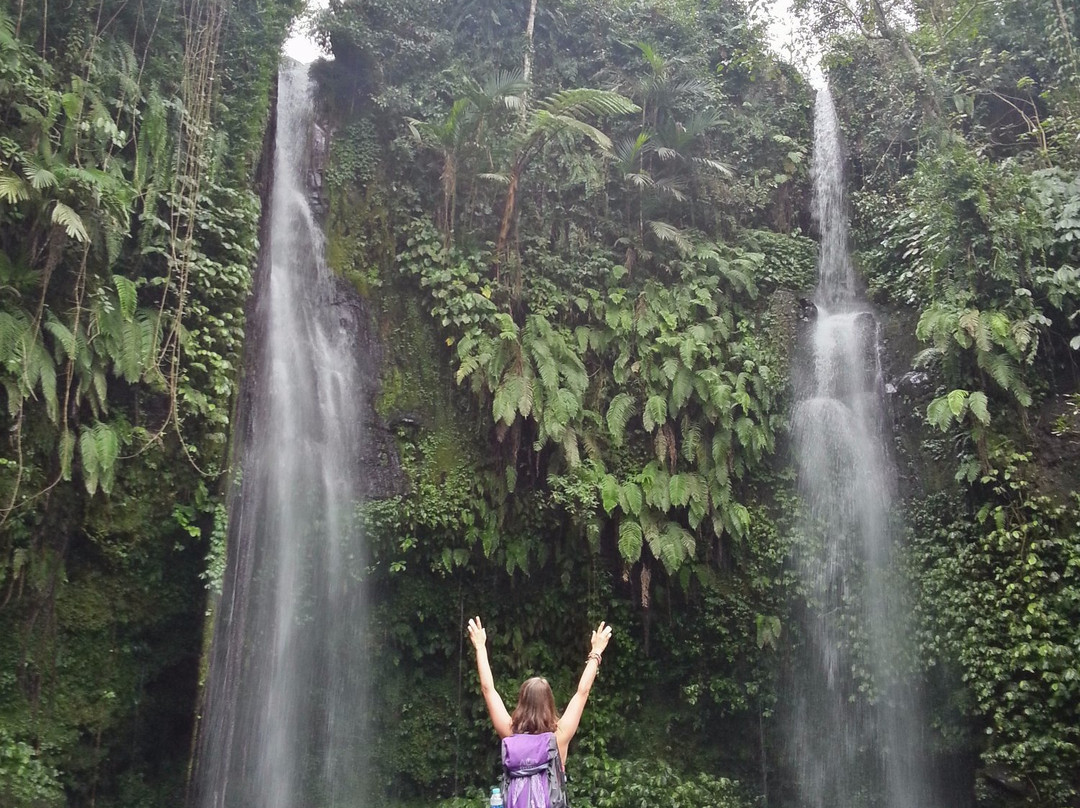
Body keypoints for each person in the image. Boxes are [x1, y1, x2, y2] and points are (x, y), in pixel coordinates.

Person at [466, 615, 613, 766]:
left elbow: (488, 689)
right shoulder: (559, 736)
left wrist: (480, 647)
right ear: (549, 703)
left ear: (522, 702)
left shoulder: (510, 733)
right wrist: (596, 652)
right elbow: (583, 692)